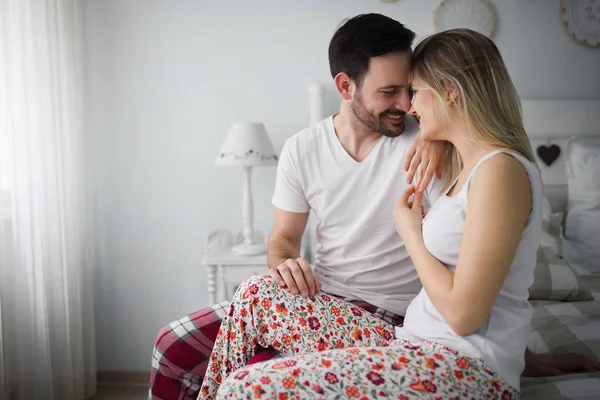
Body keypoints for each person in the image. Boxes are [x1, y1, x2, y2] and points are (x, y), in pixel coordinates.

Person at [149, 13, 600, 400]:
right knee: (220, 313)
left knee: (249, 379)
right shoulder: (310, 149)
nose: (407, 106)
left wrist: (430, 154)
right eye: (392, 93)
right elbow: (480, 272)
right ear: (345, 86)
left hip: (420, 335)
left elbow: (479, 296)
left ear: (449, 94)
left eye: (414, 92)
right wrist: (286, 268)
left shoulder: (464, 159)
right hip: (366, 316)